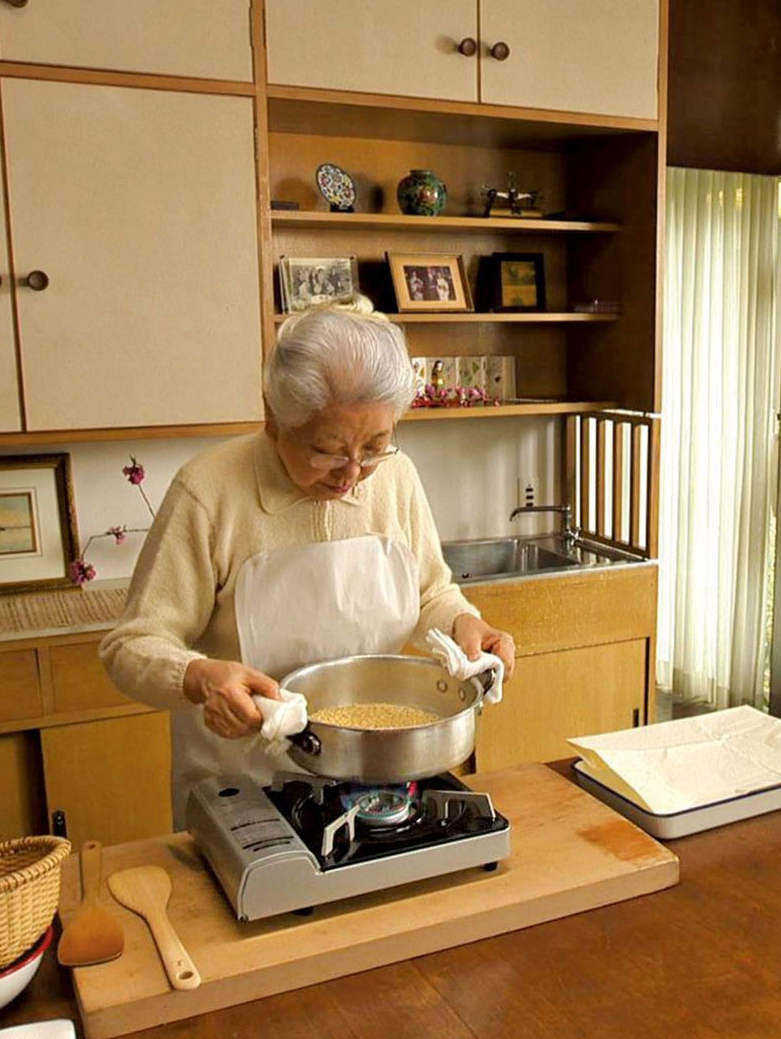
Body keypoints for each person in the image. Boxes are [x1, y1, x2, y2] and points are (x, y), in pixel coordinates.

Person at [100, 300, 517, 815]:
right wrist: (200, 676)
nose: (351, 473)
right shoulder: (208, 493)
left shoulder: (396, 477)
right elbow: (131, 645)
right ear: (273, 415)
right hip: (246, 793)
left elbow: (429, 591)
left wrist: (464, 624)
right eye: (327, 450)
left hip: (379, 780)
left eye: (375, 445)